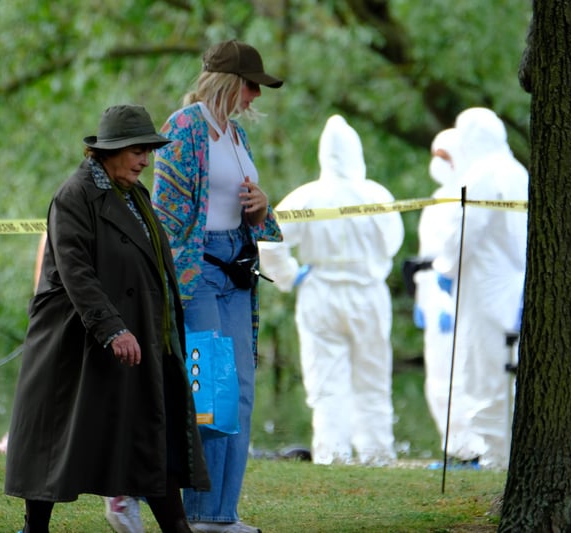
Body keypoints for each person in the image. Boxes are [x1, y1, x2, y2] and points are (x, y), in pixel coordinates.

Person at [4, 104, 210, 533]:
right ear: (111, 151)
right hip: (74, 345)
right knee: (56, 444)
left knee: (153, 433)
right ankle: (33, 529)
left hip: (142, 338)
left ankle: (178, 528)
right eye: (138, 150)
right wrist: (112, 327)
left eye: (148, 150)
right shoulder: (75, 195)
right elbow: (75, 270)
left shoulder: (135, 195)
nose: (145, 160)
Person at [152, 39, 283, 533]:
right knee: (214, 392)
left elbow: (248, 208)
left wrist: (261, 205)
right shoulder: (183, 130)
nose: (256, 96)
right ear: (229, 82)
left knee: (242, 394)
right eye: (252, 85)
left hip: (237, 271)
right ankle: (203, 513)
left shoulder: (235, 136)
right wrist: (175, 285)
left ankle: (224, 513)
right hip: (200, 274)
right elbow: (166, 217)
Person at [257, 114, 404, 466]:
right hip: (368, 295)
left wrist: (290, 277)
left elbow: (269, 240)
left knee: (326, 381)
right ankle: (376, 455)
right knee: (372, 377)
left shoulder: (306, 197)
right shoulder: (376, 195)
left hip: (320, 294)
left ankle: (332, 455)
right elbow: (393, 243)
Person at [432, 107, 528, 469]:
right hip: (512, 284)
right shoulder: (517, 170)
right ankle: (505, 453)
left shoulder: (483, 174)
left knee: (486, 373)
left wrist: (445, 267)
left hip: (485, 288)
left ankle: (496, 458)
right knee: (507, 372)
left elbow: (464, 230)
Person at [413, 127, 486, 467]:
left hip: (459, 295)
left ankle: (472, 448)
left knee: (463, 375)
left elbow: (462, 251)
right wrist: (421, 300)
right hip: (432, 293)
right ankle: (452, 446)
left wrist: (446, 300)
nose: (437, 163)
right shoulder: (435, 202)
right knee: (439, 378)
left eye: (444, 157)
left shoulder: (468, 197)